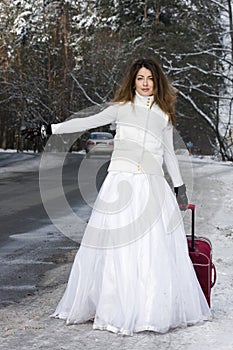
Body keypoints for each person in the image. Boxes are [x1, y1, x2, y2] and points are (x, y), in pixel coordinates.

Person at [42, 58, 211, 335]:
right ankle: (113, 307)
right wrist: (51, 129)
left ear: (158, 83)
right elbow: (87, 121)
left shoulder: (163, 116)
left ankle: (149, 310)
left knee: (152, 251)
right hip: (120, 182)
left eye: (150, 79)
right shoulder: (121, 109)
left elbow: (169, 154)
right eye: (140, 78)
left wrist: (180, 187)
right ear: (133, 81)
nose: (145, 84)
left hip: (153, 186)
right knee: (116, 249)